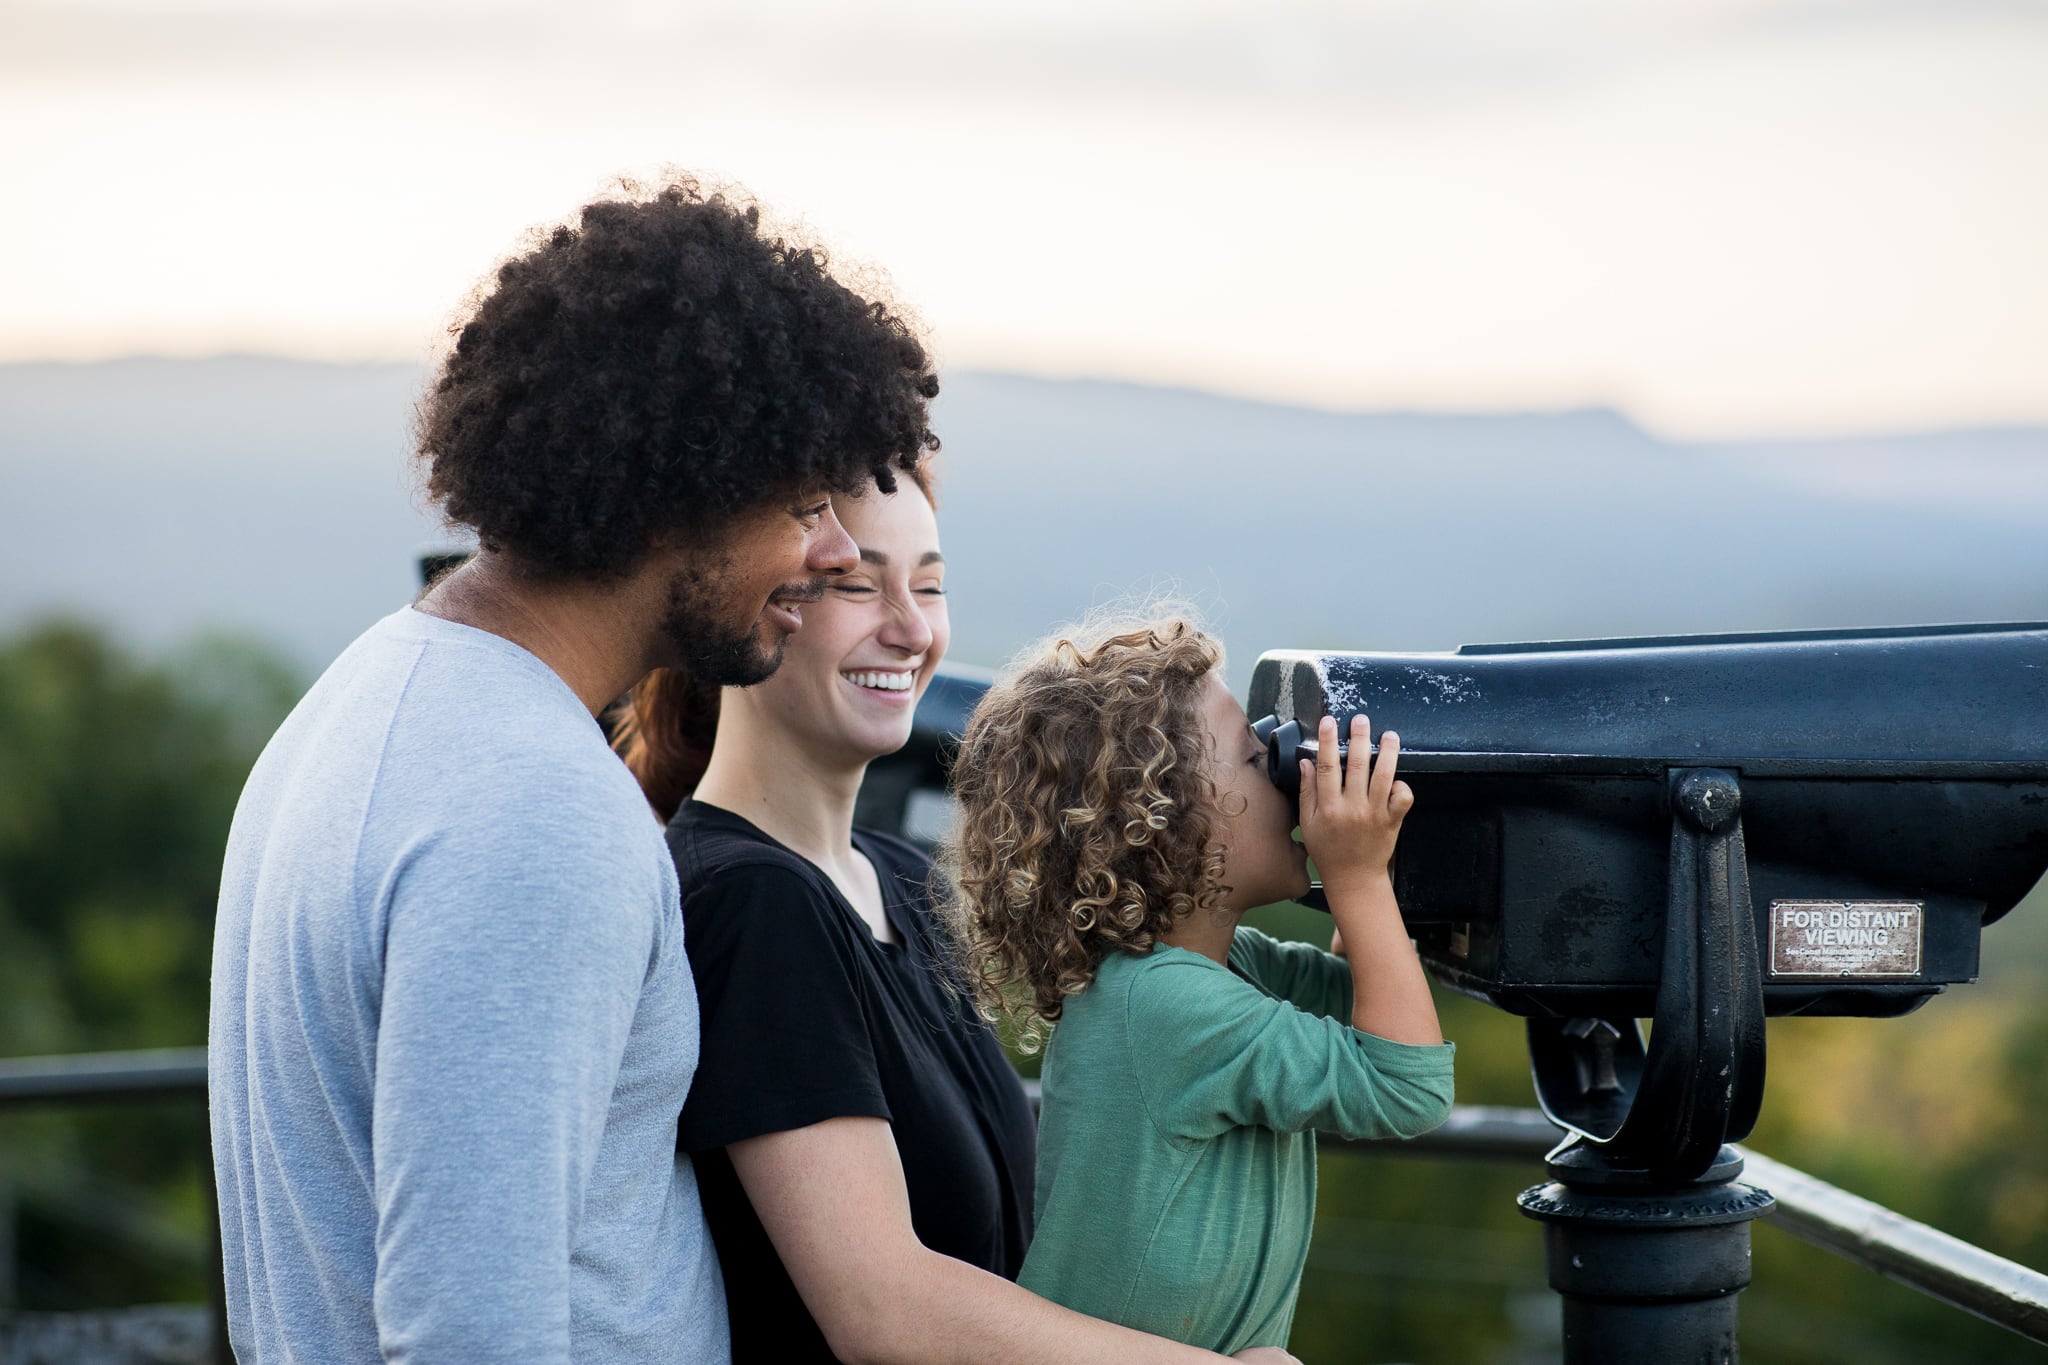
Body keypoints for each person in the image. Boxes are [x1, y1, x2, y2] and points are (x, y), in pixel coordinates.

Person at [207, 176, 939, 1364]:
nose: (836, 551)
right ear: (673, 497)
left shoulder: (362, 699)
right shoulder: (536, 813)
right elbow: (470, 1332)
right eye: (803, 503)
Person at [614, 482, 1300, 1365]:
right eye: (859, 585)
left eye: (929, 586)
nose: (911, 629)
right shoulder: (748, 902)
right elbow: (881, 1305)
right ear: (742, 604)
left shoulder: (901, 878)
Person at [943, 613, 1457, 1356]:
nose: (1286, 767)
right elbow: (1407, 1082)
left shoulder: (1210, 970)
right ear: (1161, 821)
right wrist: (1355, 873)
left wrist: (1373, 866)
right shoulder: (1166, 1004)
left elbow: (1368, 999)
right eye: (1256, 757)